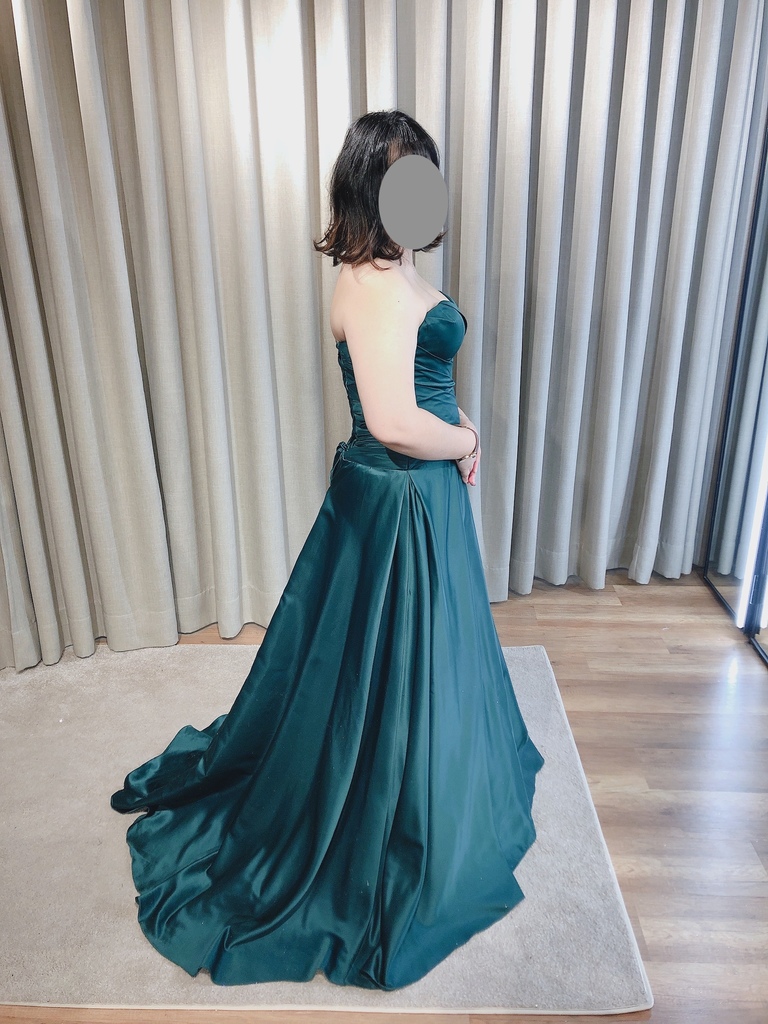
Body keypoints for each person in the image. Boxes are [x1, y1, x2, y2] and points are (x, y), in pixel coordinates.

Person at [111, 109, 545, 992]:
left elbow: (421, 384)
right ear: (366, 186)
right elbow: (391, 421)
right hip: (397, 497)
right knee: (381, 671)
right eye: (400, 174)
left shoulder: (392, 265)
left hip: (412, 490)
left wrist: (459, 422)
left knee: (412, 661)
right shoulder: (371, 282)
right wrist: (466, 441)